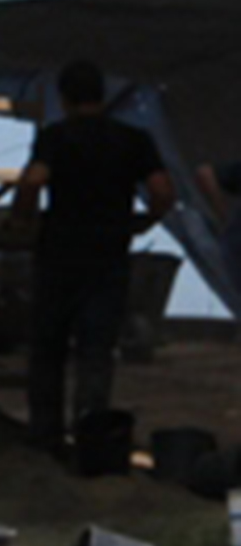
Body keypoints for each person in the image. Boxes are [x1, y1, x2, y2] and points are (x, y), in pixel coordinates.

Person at [16, 56, 174, 455]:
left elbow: (34, 180)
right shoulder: (133, 139)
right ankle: (91, 437)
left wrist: (22, 216)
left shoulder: (56, 136)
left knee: (48, 348)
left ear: (65, 98)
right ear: (100, 96)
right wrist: (146, 222)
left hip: (59, 254)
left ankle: (45, 437)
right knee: (96, 351)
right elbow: (162, 191)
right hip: (108, 256)